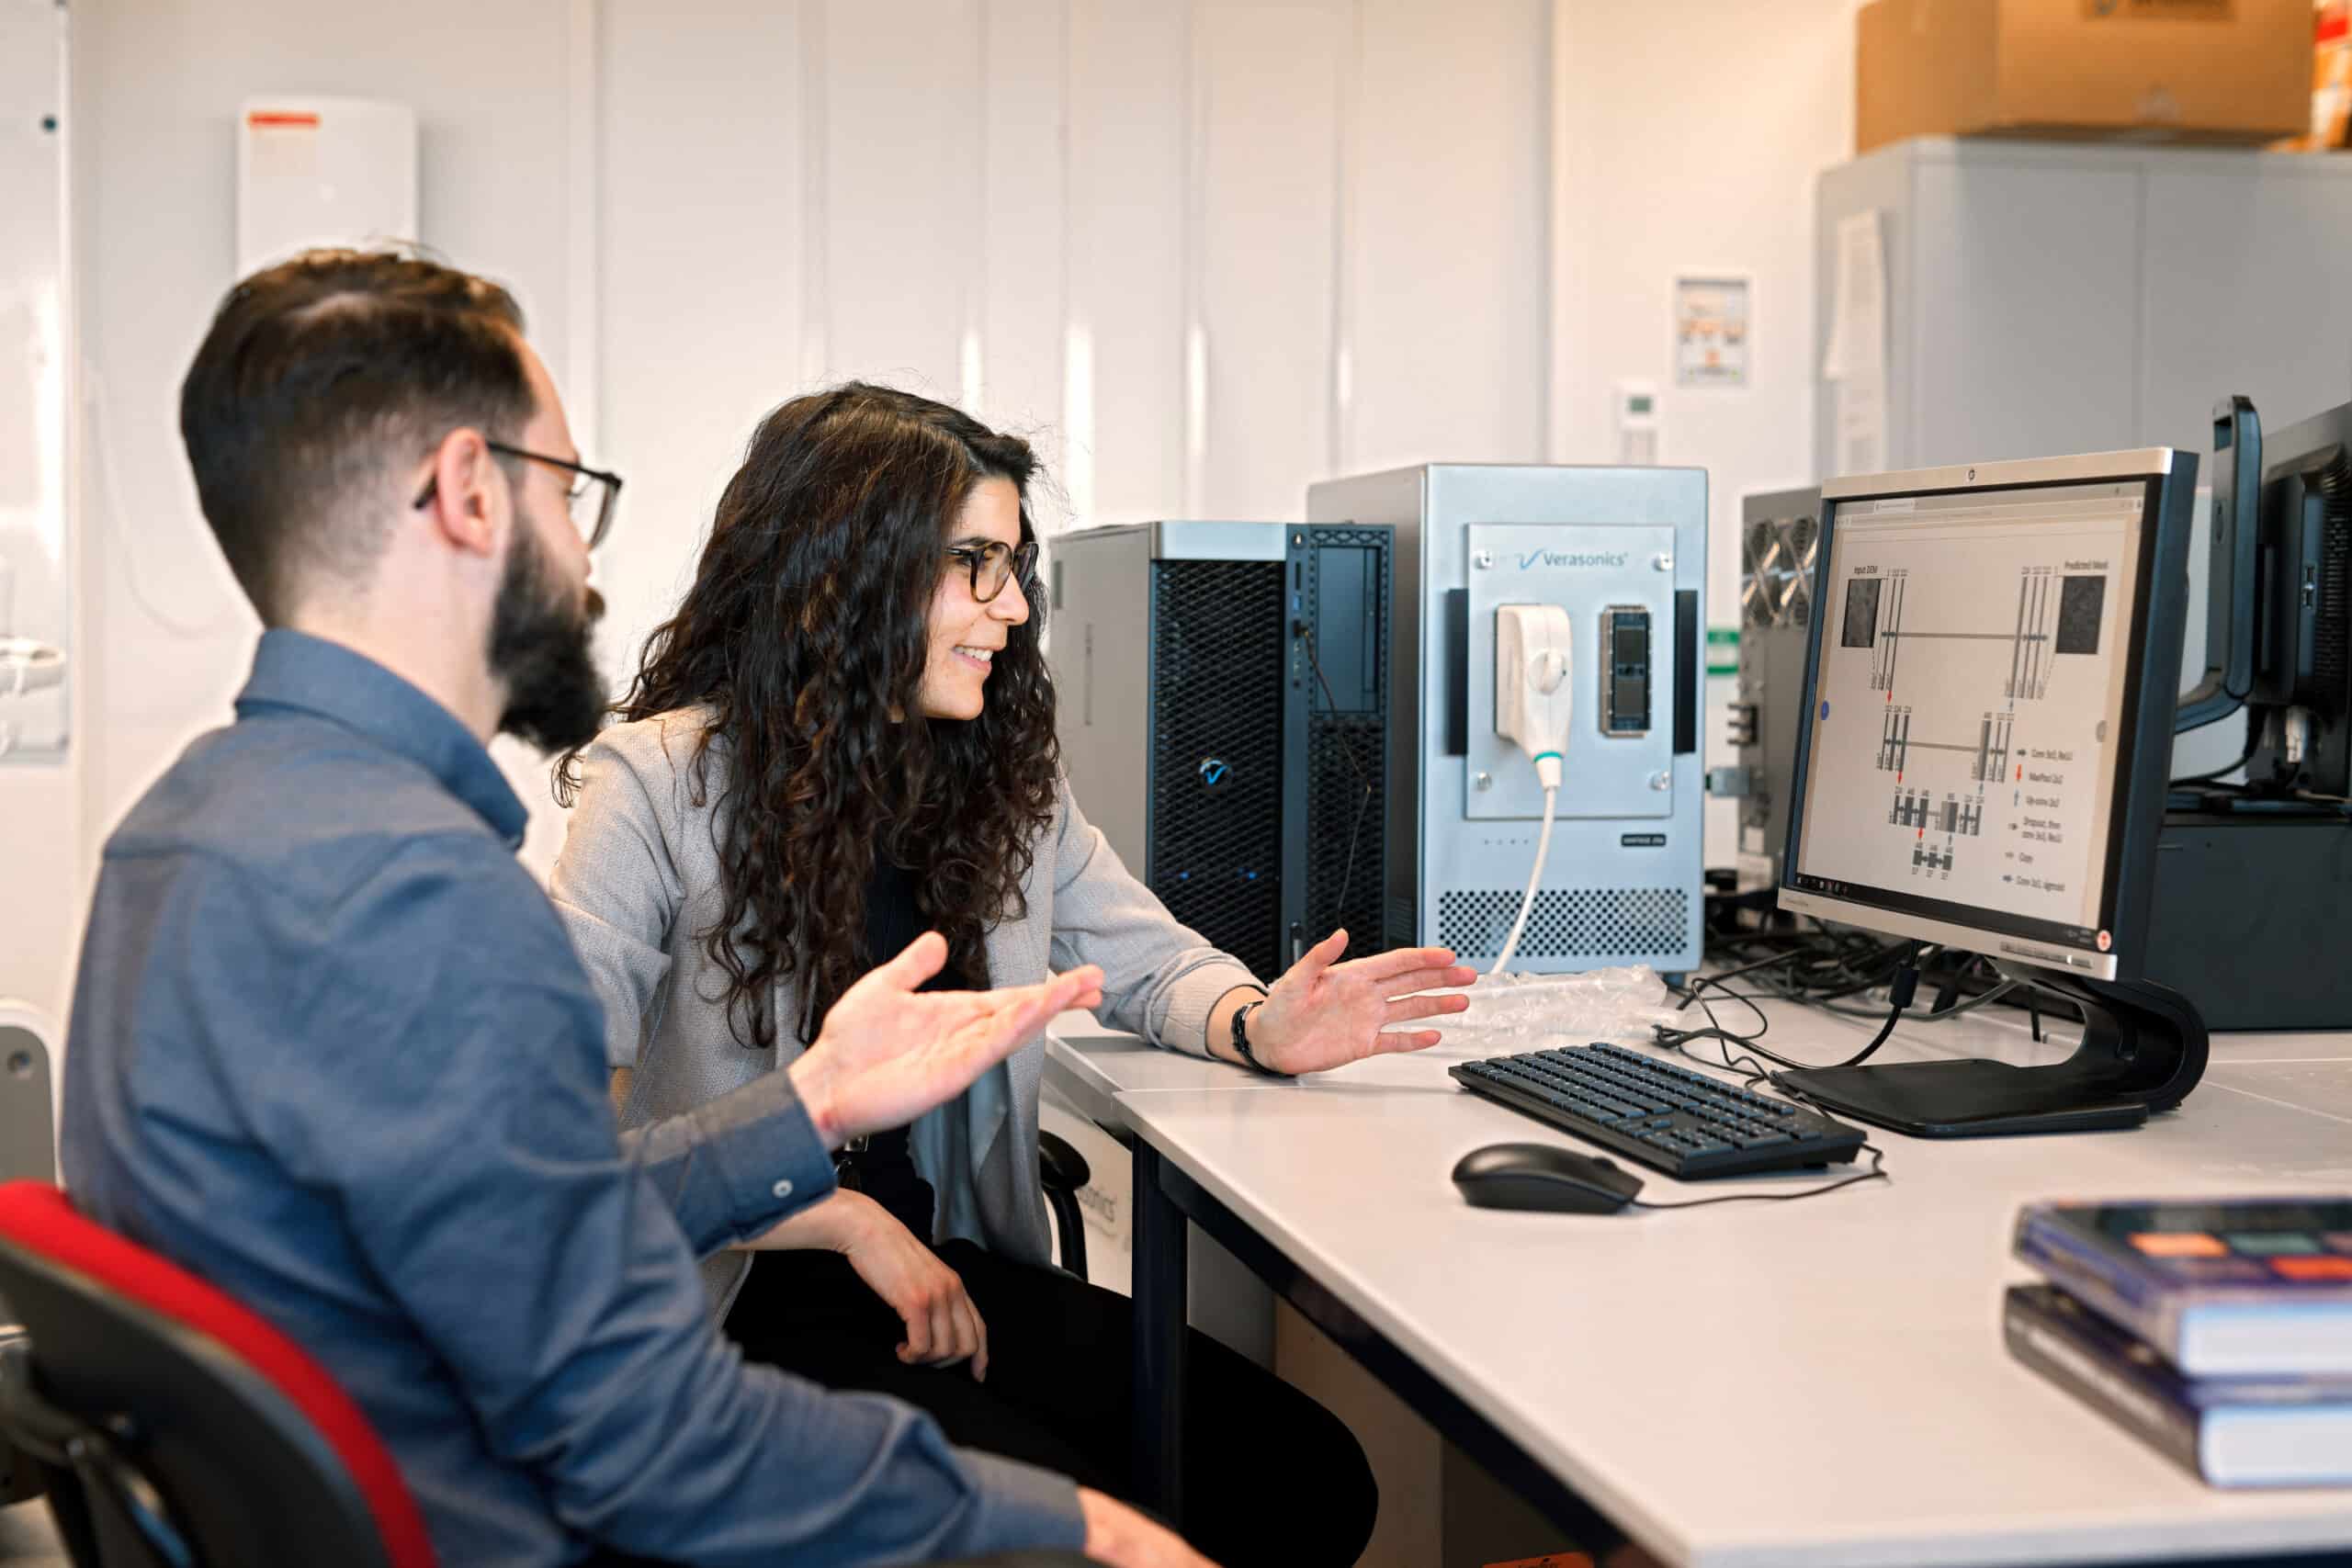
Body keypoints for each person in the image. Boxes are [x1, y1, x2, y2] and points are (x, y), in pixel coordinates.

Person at [57, 251, 1214, 1568]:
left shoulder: (182, 831)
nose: (585, 558)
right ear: (469, 495)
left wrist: (808, 1109)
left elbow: (530, 1220)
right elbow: (649, 1442)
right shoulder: (417, 896)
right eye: (568, 492)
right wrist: (1065, 1532)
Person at [550, 382, 1480, 1565]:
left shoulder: (992, 779)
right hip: (733, 1297)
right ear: (843, 570)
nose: (1013, 607)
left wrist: (1257, 1022)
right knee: (1092, 1541)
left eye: (1017, 565)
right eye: (974, 564)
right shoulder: (655, 789)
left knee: (1301, 1480)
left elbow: (1144, 957)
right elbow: (564, 1143)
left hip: (942, 1269)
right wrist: (832, 1217)